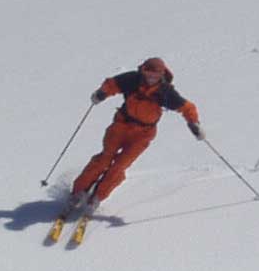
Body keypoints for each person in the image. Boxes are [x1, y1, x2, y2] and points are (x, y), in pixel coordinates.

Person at [69, 57, 203, 211]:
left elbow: (187, 108)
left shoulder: (165, 93)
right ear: (143, 71)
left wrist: (193, 123)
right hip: (121, 125)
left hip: (143, 134)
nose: (151, 78)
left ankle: (98, 195)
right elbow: (111, 84)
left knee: (120, 165)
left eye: (156, 76)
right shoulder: (133, 79)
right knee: (105, 158)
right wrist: (101, 93)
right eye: (148, 74)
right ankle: (79, 191)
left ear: (161, 75)